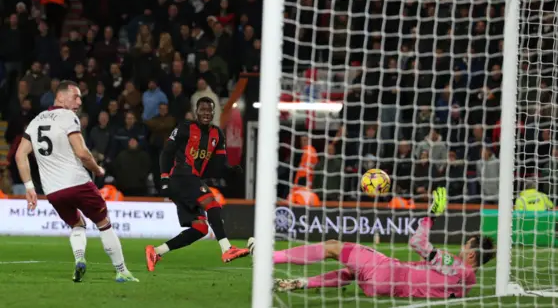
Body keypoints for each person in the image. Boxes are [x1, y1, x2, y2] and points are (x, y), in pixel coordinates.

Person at [267, 188, 495, 299]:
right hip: (385, 290)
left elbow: (417, 242)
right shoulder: (467, 287)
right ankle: (303, 283)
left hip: (388, 271)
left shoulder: (456, 266)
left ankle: (270, 257)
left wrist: (432, 215)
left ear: (472, 255)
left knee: (333, 246)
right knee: (351, 273)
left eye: (466, 246)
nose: (462, 248)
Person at [15, 80, 138, 283]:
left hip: (53, 191)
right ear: (60, 97)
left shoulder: (36, 121)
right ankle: (122, 271)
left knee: (77, 224)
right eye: (75, 96)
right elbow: (82, 153)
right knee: (103, 223)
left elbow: (20, 155)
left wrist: (30, 187)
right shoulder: (68, 116)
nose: (79, 101)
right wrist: (97, 169)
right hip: (77, 182)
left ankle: (80, 259)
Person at [145, 97, 249, 271]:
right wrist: (163, 179)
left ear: (213, 112)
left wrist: (230, 170)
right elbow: (166, 152)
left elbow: (218, 164)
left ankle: (156, 251)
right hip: (180, 177)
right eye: (202, 110)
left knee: (200, 228)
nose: (206, 113)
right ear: (196, 112)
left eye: (209, 110)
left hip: (192, 180)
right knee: (212, 204)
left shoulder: (218, 134)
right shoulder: (185, 128)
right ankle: (227, 249)